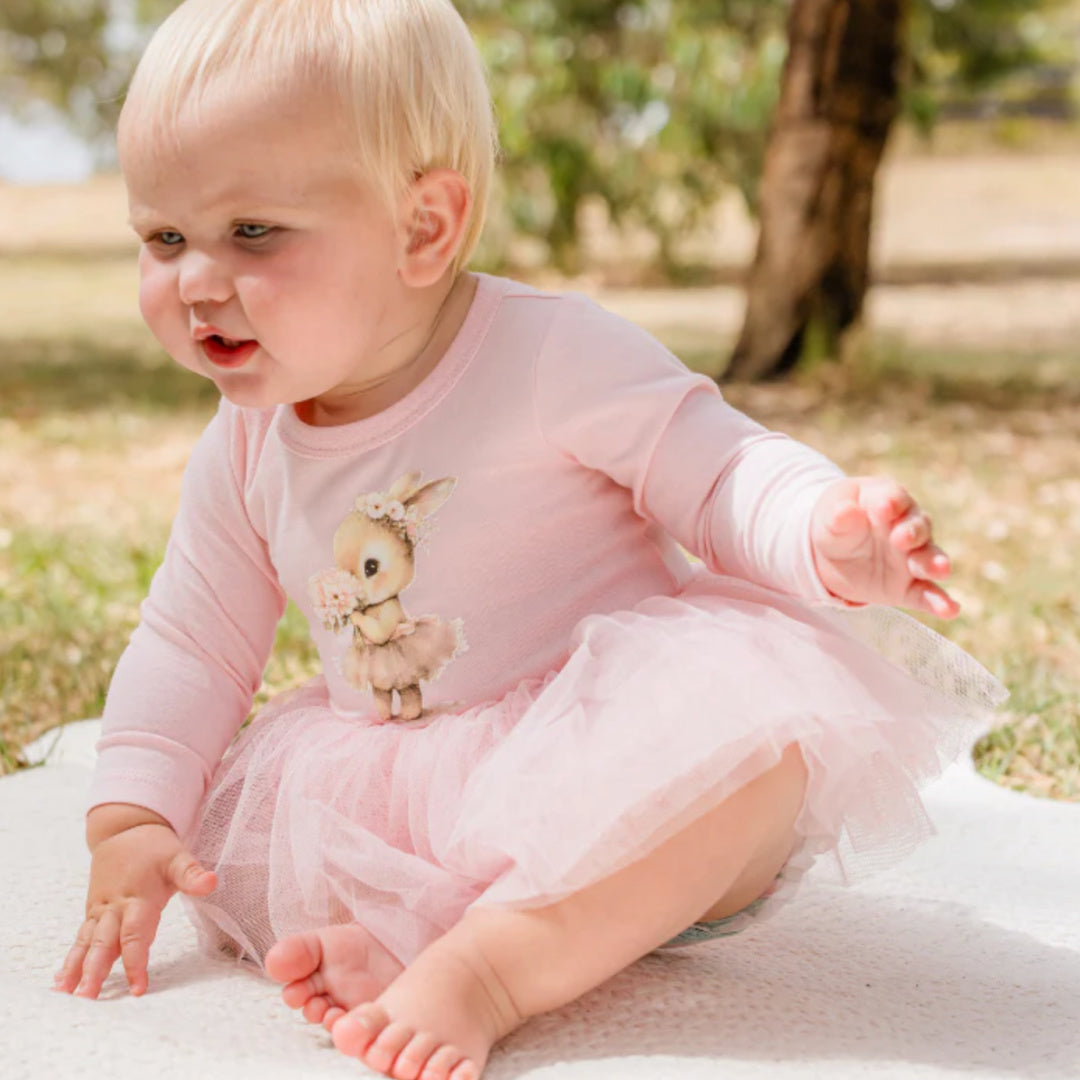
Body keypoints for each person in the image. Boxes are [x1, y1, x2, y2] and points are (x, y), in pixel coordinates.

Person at [52, 1, 1005, 1078]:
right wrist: (129, 823)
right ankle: (422, 930)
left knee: (759, 746)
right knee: (254, 857)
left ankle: (495, 968)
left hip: (624, 776)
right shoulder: (245, 442)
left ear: (424, 228)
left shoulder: (549, 354)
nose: (196, 281)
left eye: (252, 233)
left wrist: (821, 532)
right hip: (423, 803)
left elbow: (717, 468)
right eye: (163, 237)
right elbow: (192, 640)